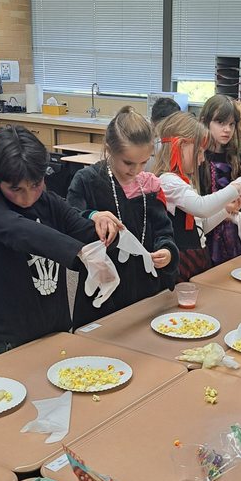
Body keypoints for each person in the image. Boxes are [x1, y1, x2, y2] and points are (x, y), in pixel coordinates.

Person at [0, 127, 121, 355]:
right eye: (16, 189)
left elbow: (80, 227)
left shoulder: (48, 201)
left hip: (57, 326)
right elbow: (24, 231)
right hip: (11, 336)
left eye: (35, 184)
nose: (28, 197)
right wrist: (80, 251)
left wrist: (103, 226)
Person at [67, 107, 179, 328]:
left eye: (143, 162)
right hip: (103, 290)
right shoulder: (86, 181)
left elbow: (163, 230)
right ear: (109, 150)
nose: (136, 170)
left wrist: (167, 251)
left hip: (145, 289)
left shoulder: (147, 185)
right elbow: (68, 219)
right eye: (128, 163)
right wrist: (93, 215)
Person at [152, 112, 241, 281]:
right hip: (180, 262)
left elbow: (201, 227)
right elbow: (202, 208)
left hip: (197, 256)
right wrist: (236, 186)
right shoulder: (168, 181)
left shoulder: (183, 181)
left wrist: (226, 210)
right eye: (200, 152)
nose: (203, 159)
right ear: (180, 146)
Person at [199, 95, 241, 266]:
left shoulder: (235, 156)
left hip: (231, 232)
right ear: (206, 122)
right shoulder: (198, 158)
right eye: (220, 123)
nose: (227, 129)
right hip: (206, 234)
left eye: (231, 124)